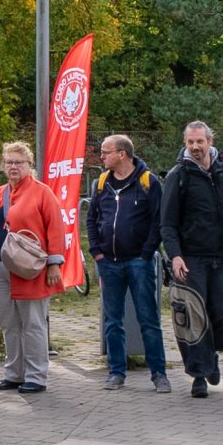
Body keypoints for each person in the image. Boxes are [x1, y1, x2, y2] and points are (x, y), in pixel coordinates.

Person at [0, 141, 71, 393]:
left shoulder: (42, 193)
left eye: (19, 162)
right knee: (9, 323)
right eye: (9, 162)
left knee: (33, 323)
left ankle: (36, 376)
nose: (13, 166)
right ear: (3, 165)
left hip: (29, 269)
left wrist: (54, 263)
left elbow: (56, 229)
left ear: (29, 165)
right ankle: (14, 373)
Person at [161, 120, 223, 398]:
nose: (195, 147)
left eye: (200, 142)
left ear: (210, 141)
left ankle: (212, 354)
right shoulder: (178, 176)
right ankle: (198, 375)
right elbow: (167, 223)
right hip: (191, 259)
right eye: (190, 142)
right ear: (185, 143)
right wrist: (175, 256)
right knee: (193, 318)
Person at [86, 135, 166, 391]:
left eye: (106, 152)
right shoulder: (102, 183)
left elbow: (158, 221)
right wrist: (96, 252)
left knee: (148, 319)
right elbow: (91, 219)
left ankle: (159, 374)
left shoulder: (148, 182)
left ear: (122, 154)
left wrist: (146, 254)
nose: (101, 156)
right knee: (112, 321)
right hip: (108, 263)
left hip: (138, 262)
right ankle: (116, 372)